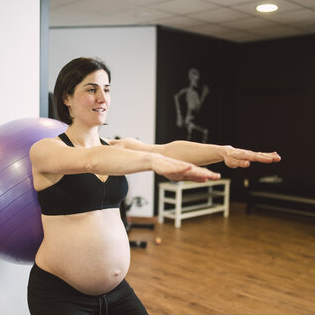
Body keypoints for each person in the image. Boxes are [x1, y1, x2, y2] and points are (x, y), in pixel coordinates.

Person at [28, 57, 281, 315]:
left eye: (107, 89)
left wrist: (224, 152)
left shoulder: (119, 147)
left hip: (116, 293)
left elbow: (168, 149)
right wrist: (152, 161)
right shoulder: (46, 150)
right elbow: (90, 161)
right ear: (66, 97)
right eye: (91, 89)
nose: (102, 98)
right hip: (59, 295)